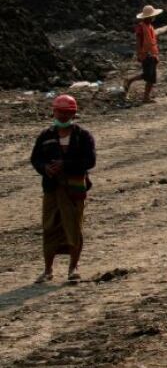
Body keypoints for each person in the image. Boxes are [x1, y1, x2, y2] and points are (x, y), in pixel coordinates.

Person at [30, 95, 96, 283]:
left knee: (73, 226)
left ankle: (73, 268)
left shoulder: (82, 136)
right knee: (49, 226)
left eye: (67, 113)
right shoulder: (46, 136)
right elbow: (35, 159)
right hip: (51, 188)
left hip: (74, 189)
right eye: (60, 112)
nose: (63, 116)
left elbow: (90, 161)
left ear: (73, 114)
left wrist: (65, 165)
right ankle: (48, 269)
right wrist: (45, 168)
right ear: (54, 111)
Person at [123, 5, 162, 103]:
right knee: (147, 75)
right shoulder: (141, 27)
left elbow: (152, 42)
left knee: (152, 77)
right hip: (146, 54)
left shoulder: (150, 27)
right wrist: (139, 54)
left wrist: (156, 54)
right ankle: (130, 80)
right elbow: (138, 42)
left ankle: (146, 97)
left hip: (152, 54)